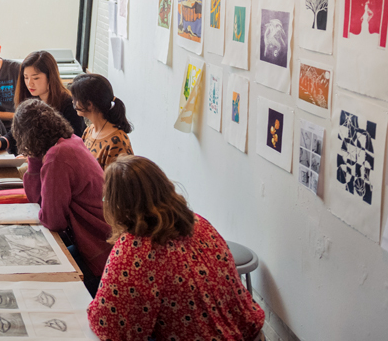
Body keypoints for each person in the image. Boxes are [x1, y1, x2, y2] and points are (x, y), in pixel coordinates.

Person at [88, 156, 265, 341]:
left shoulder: (134, 250)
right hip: (249, 334)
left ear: (117, 205)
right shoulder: (199, 223)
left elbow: (111, 328)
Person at [14, 99, 112, 297]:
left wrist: (33, 160)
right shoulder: (71, 141)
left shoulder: (57, 157)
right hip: (103, 245)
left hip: (97, 257)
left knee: (31, 276)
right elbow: (41, 206)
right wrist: (34, 159)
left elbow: (53, 220)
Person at [0, 50, 82, 153]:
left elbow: (73, 143)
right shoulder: (31, 100)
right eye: (26, 77)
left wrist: (32, 159)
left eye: (35, 78)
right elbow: (14, 135)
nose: (29, 83)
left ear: (50, 77)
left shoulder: (69, 104)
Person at [70, 73, 133, 169]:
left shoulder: (117, 141)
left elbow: (117, 181)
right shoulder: (89, 130)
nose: (72, 102)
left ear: (89, 104)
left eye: (75, 99)